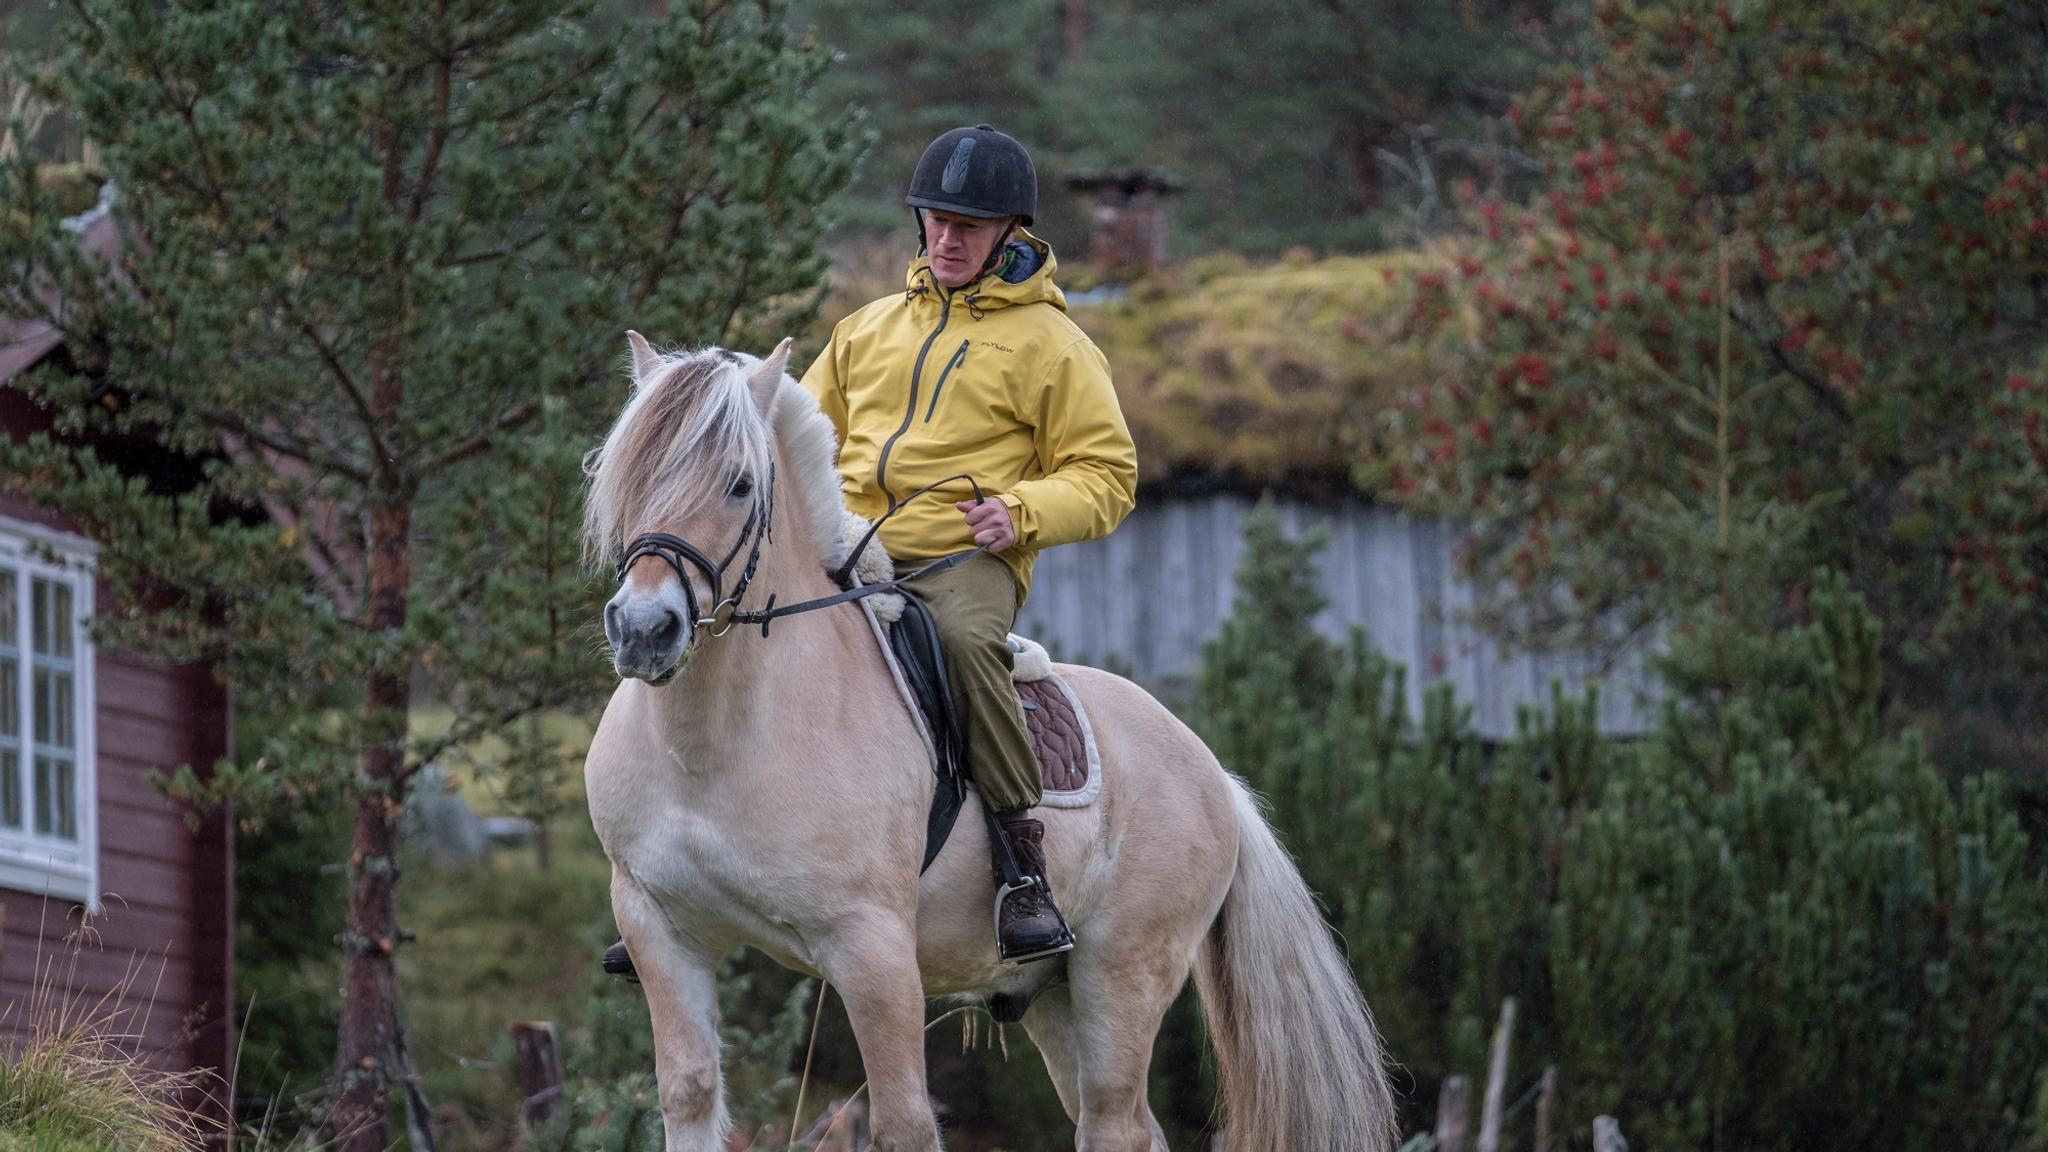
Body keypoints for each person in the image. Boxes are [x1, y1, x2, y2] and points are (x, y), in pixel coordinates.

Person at [800, 124, 1138, 962]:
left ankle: (1023, 865)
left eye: (970, 227)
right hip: (841, 542)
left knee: (960, 640)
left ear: (1010, 235)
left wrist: (1020, 512)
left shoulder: (1057, 347)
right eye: (936, 220)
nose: (947, 240)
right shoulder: (862, 329)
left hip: (960, 559)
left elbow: (1107, 476)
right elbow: (798, 438)